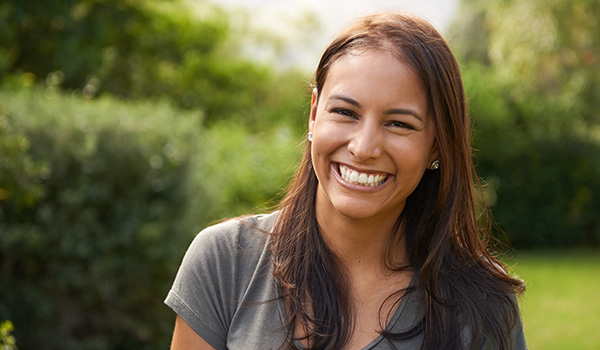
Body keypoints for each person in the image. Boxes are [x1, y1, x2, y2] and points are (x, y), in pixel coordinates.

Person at [165, 12, 527, 350]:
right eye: (344, 112)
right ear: (313, 114)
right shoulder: (224, 262)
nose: (364, 147)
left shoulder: (483, 304)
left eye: (399, 123)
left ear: (438, 144)